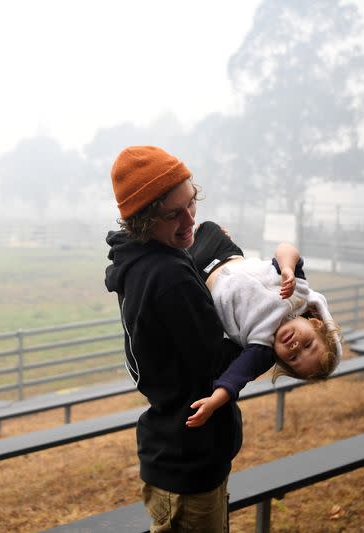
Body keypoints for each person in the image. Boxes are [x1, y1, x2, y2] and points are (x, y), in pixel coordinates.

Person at [104, 146, 244, 532]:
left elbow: (182, 263)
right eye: (173, 213)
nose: (189, 219)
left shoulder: (139, 259)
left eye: (191, 204)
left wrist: (213, 245)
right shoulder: (168, 278)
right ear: (145, 220)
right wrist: (264, 332)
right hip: (190, 463)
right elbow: (217, 361)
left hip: (173, 450)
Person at [185, 221, 343, 428]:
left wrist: (214, 402)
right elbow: (286, 249)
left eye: (294, 358)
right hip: (225, 253)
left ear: (280, 359)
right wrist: (287, 268)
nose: (295, 347)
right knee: (208, 227)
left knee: (171, 259)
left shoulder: (262, 347)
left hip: (200, 276)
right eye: (308, 345)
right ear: (315, 323)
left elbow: (236, 377)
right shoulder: (299, 292)